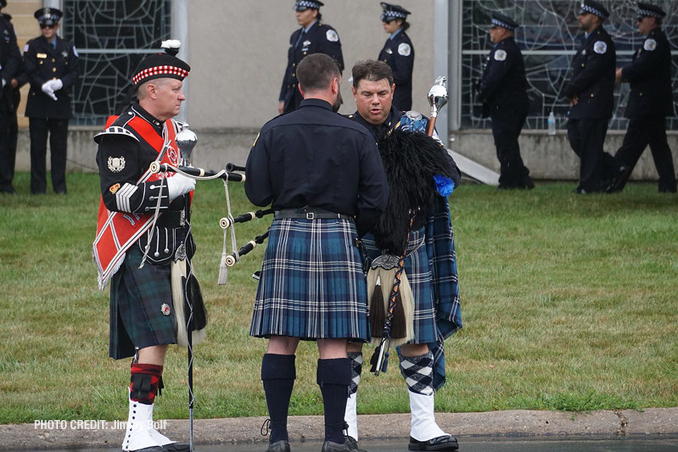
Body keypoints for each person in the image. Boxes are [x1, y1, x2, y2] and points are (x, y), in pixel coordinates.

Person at [246, 53, 389, 452]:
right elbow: (377, 197)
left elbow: (256, 192)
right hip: (338, 235)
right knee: (333, 342)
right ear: (335, 85)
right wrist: (349, 228)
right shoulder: (356, 134)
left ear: (298, 86)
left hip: (289, 231)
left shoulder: (273, 130)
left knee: (280, 339)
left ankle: (278, 438)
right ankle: (332, 438)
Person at [345, 59, 462, 452]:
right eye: (366, 94)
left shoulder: (414, 126)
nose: (375, 101)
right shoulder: (343, 131)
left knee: (416, 335)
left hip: (409, 243)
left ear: (392, 91)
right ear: (353, 92)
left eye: (381, 93)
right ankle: (345, 426)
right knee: (350, 336)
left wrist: (434, 166)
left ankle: (424, 425)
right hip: (355, 246)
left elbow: (446, 184)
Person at [93, 40, 195, 452]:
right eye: (176, 88)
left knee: (162, 336)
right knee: (153, 335)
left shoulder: (170, 130)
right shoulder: (120, 134)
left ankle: (145, 427)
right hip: (137, 247)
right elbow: (115, 195)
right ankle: (136, 433)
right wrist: (168, 187)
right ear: (152, 89)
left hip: (169, 247)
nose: (182, 95)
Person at [607, 2, 676, 194]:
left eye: (640, 20)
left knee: (630, 146)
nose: (637, 24)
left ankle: (612, 182)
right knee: (659, 147)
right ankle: (668, 186)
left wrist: (622, 74)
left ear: (652, 20)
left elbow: (643, 67)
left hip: (647, 106)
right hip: (653, 105)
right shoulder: (653, 40)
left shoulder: (653, 41)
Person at [563, 0, 616, 194]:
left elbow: (592, 71)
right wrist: (574, 92)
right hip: (583, 102)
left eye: (584, 15)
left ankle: (589, 185)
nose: (580, 17)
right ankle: (611, 166)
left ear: (595, 18)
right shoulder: (590, 40)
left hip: (595, 102)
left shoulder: (600, 42)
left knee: (590, 145)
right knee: (576, 138)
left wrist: (571, 89)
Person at [23, 7, 79, 195]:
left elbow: (75, 72)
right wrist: (43, 85)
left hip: (59, 104)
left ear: (57, 26)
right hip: (38, 103)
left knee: (59, 148)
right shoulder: (32, 46)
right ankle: (38, 188)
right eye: (43, 26)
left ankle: (59, 187)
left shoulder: (67, 46)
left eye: (50, 25)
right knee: (37, 148)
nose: (46, 29)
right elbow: (29, 71)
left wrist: (62, 83)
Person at [476, 13, 534, 190]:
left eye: (493, 29)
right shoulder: (505, 47)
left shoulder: (503, 50)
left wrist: (482, 93)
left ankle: (509, 182)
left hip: (507, 106)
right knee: (508, 143)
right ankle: (522, 179)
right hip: (510, 105)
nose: (490, 32)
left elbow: (494, 78)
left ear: (502, 30)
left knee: (505, 144)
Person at [278, 1, 344, 114]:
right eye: (297, 11)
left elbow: (335, 66)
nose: (298, 14)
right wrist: (283, 97)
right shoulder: (296, 36)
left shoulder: (324, 33)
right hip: (294, 95)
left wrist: (331, 93)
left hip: (316, 94)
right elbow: (291, 68)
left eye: (302, 11)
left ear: (314, 12)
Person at [0, 0, 24, 195]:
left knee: (6, 139)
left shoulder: (7, 27)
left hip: (3, 93)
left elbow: (15, 57)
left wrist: (3, 79)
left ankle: (5, 181)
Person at [377, 2, 414, 111]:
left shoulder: (402, 44)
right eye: (383, 20)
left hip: (397, 100)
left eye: (388, 21)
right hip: (389, 98)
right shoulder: (392, 40)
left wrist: (379, 78)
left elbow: (402, 75)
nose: (384, 23)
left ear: (398, 22)